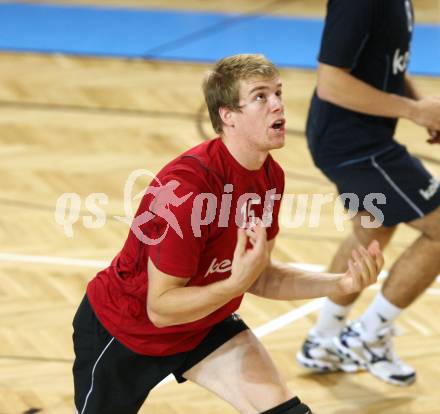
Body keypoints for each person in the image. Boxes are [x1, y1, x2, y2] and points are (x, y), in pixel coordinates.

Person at [72, 54, 384, 414]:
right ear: (227, 115)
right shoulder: (187, 189)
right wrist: (234, 285)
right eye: (260, 96)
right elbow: (161, 308)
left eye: (278, 93)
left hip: (203, 325)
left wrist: (339, 285)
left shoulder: (269, 177)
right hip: (127, 331)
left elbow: (259, 276)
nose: (278, 105)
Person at [296, 0, 440, 387]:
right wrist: (413, 111)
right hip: (354, 144)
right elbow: (331, 82)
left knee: (372, 234)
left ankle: (324, 339)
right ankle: (369, 336)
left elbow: (389, 63)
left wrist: (420, 106)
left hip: (363, 138)